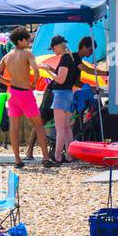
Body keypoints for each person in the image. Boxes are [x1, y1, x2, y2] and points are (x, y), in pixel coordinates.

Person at [0, 28, 55, 168]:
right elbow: (36, 70)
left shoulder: (7, 56)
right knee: (38, 125)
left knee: (14, 128)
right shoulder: (27, 53)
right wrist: (33, 83)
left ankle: (17, 160)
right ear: (20, 40)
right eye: (27, 39)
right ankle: (45, 157)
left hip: (12, 93)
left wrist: (8, 82)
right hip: (25, 93)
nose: (29, 41)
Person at [46, 34, 82, 164]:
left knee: (60, 128)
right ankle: (69, 155)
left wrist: (47, 71)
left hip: (60, 95)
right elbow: (64, 77)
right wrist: (50, 69)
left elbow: (60, 79)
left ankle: (57, 156)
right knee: (67, 127)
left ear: (57, 46)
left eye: (53, 48)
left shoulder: (65, 59)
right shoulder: (70, 58)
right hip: (68, 94)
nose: (53, 51)